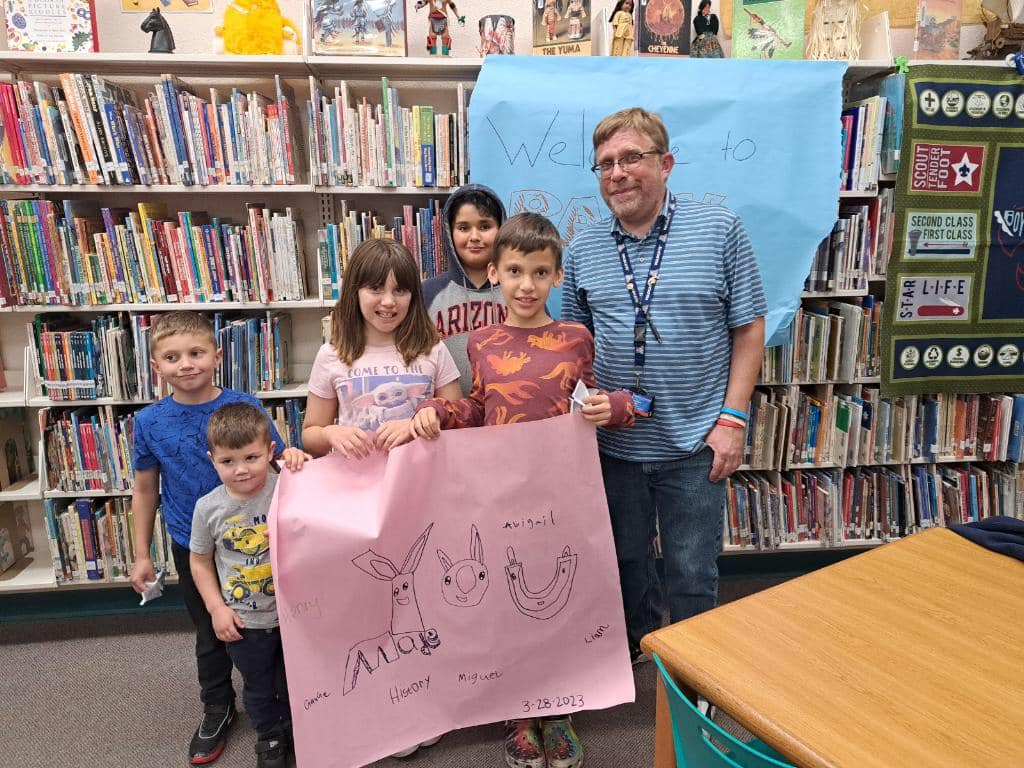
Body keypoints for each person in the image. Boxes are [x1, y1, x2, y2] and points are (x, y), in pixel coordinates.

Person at [412, 212, 634, 768]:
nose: (527, 285)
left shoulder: (577, 338)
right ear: (495, 272)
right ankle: (519, 710)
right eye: (514, 271)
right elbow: (478, 407)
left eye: (539, 272)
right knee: (508, 602)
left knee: (561, 597)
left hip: (563, 495)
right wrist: (439, 410)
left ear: (558, 276)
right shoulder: (483, 342)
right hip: (501, 494)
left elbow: (610, 397)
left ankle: (557, 707)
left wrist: (620, 408)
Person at [562, 107, 766, 662]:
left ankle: (695, 676)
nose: (617, 173)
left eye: (631, 158)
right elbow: (576, 348)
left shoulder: (720, 230)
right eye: (604, 164)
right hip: (615, 450)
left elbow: (749, 327)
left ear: (666, 163)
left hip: (694, 446)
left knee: (692, 572)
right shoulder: (581, 251)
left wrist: (733, 421)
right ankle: (636, 652)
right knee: (626, 564)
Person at [301, 237, 462, 758]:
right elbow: (310, 431)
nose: (388, 301)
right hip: (359, 503)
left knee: (423, 604)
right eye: (375, 288)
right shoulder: (334, 354)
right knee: (374, 608)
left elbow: (456, 417)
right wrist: (332, 437)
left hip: (420, 499)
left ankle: (425, 699)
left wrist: (425, 421)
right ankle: (383, 702)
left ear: (416, 296)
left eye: (400, 290)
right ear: (355, 293)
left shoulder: (431, 350)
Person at [129, 311, 305, 765]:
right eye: (172, 357)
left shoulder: (244, 404)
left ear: (217, 356)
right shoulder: (149, 422)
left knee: (274, 628)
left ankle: (286, 708)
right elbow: (146, 488)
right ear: (156, 366)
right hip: (195, 544)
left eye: (196, 353)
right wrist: (140, 552)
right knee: (212, 630)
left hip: (261, 538)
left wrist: (300, 459)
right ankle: (218, 706)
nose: (185, 364)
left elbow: (279, 457)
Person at [190, 403, 306, 768]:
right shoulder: (208, 508)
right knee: (257, 686)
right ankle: (269, 737)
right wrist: (216, 608)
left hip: (295, 616)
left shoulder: (289, 485)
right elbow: (199, 560)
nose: (240, 470)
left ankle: (300, 731)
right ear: (212, 460)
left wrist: (302, 463)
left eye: (251, 457)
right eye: (228, 462)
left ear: (271, 450)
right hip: (245, 623)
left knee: (295, 681)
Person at [423, 184, 508, 395]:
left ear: (501, 230)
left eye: (485, 226)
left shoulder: (520, 291)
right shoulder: (427, 293)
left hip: (509, 417)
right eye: (463, 228)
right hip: (446, 417)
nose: (475, 236)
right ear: (449, 233)